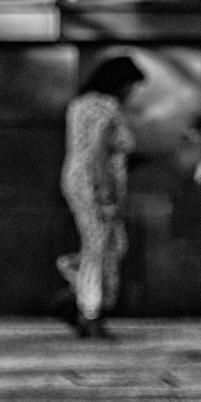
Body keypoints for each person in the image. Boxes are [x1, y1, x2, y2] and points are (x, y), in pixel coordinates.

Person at [56, 55, 146, 338]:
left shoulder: (80, 104)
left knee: (110, 243)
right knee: (101, 246)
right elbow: (98, 151)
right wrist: (107, 194)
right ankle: (89, 310)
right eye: (131, 85)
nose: (132, 92)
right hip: (97, 184)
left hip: (77, 181)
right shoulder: (106, 107)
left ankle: (78, 286)